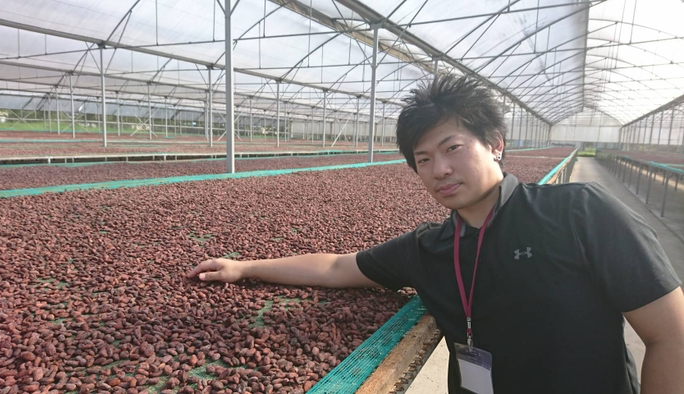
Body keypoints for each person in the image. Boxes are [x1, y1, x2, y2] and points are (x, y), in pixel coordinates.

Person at [187, 75, 684, 394]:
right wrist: (244, 268)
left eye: (452, 148)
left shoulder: (578, 213)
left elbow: (672, 335)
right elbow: (339, 266)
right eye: (423, 160)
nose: (439, 169)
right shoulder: (430, 248)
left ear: (495, 145)